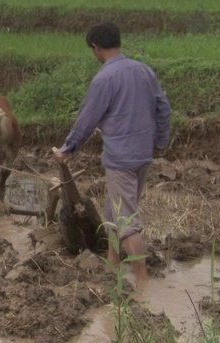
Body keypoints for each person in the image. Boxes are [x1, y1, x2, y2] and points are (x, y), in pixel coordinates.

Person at [52, 22, 171, 284]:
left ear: (96, 48)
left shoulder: (104, 78)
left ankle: (142, 283)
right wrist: (159, 141)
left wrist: (67, 149)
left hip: (121, 159)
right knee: (113, 213)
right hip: (142, 156)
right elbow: (164, 108)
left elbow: (87, 119)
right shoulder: (144, 71)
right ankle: (112, 266)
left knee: (126, 221)